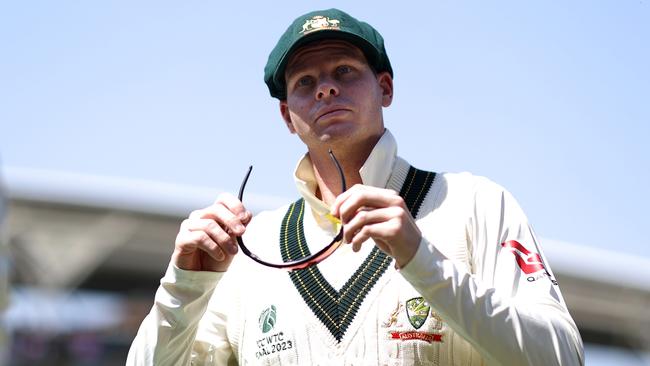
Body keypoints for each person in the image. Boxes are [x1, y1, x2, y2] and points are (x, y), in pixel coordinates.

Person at [127, 8, 584, 365]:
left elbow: (562, 357)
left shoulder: (473, 204)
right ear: (287, 117)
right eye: (305, 81)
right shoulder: (252, 248)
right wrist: (185, 284)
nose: (326, 88)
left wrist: (420, 258)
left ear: (385, 88)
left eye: (344, 70)